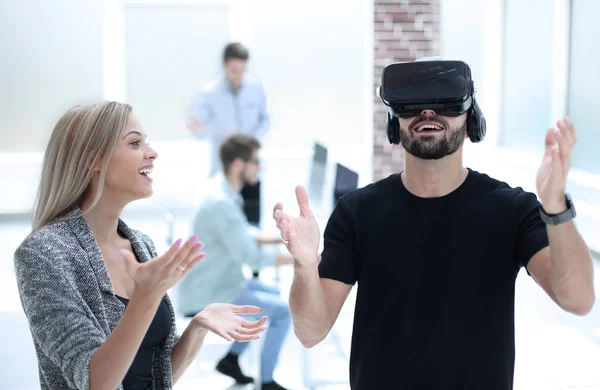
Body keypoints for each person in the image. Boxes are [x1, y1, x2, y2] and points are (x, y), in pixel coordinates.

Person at [272, 58, 595, 389]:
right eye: (413, 105)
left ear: (471, 120)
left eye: (444, 104)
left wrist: (555, 204)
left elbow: (579, 300)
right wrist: (305, 265)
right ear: (394, 123)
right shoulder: (357, 212)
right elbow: (310, 332)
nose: (428, 114)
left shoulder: (512, 210)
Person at [14, 102, 268, 390]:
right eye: (135, 143)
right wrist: (146, 297)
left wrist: (197, 327)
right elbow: (96, 382)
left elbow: (155, 375)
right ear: (93, 159)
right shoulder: (43, 254)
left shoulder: (141, 245)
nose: (152, 153)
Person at [178, 133, 294, 390]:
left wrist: (277, 239)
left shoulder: (224, 191)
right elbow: (251, 259)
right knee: (283, 312)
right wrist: (299, 259)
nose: (259, 167)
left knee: (272, 293)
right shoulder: (221, 204)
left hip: (218, 280)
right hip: (210, 292)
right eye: (255, 161)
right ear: (238, 164)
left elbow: (240, 233)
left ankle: (231, 359)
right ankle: (267, 382)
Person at [187, 42, 270, 226]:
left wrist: (251, 143)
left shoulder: (255, 87)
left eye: (242, 70)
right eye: (233, 70)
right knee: (224, 227)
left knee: (252, 225)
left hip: (250, 171)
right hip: (224, 173)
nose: (238, 75)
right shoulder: (209, 93)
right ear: (224, 66)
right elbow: (199, 131)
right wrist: (197, 129)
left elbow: (266, 121)